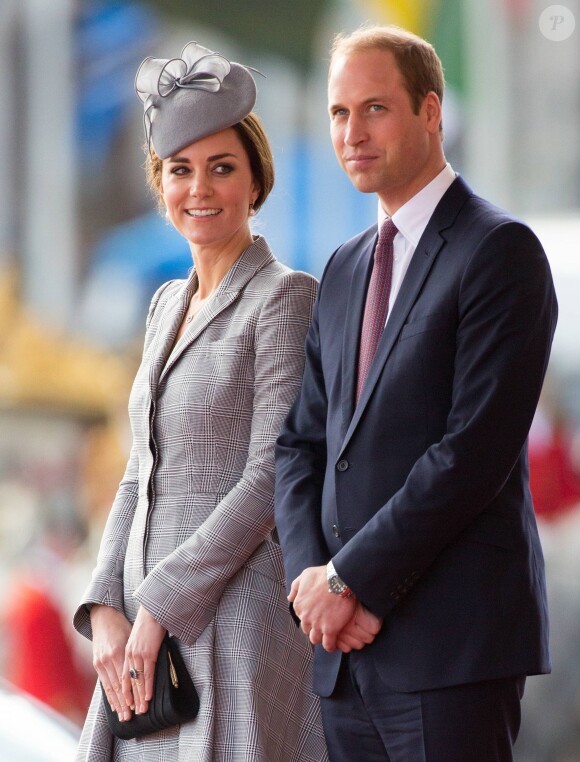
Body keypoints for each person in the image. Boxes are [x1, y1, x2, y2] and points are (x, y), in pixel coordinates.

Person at [275, 24, 558, 761]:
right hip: (342, 652)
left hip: (450, 649)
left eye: (375, 109)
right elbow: (301, 446)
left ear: (431, 112)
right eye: (339, 114)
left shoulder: (499, 251)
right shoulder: (340, 270)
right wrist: (317, 592)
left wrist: (351, 580)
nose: (352, 133)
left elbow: (472, 452)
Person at [73, 42, 328, 761]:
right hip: (140, 643)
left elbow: (271, 477)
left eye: (222, 168)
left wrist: (158, 605)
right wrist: (104, 610)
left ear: (256, 180)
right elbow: (138, 472)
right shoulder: (161, 305)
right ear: (161, 183)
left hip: (230, 630)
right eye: (181, 170)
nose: (200, 188)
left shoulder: (285, 297)